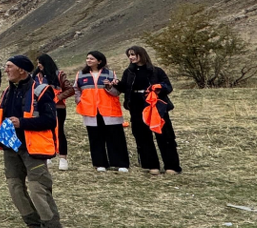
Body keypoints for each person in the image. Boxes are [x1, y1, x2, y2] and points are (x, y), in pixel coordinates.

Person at [0, 55, 64, 228]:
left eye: (9, 66)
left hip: (34, 148)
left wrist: (23, 123)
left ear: (21, 70)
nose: (5, 70)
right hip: (11, 147)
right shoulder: (6, 92)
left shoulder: (41, 91)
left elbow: (50, 120)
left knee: (39, 189)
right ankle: (34, 226)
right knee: (15, 188)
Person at [119, 45, 182, 175]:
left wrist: (159, 88)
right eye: (129, 55)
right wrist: (114, 84)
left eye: (133, 54)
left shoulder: (156, 71)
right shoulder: (128, 72)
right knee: (142, 136)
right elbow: (123, 87)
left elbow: (168, 86)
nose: (130, 57)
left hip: (155, 106)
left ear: (141, 54)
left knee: (164, 135)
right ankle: (151, 165)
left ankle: (172, 166)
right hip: (136, 106)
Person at [74, 50, 129, 172]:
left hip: (109, 110)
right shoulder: (81, 74)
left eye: (91, 59)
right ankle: (100, 163)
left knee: (115, 137)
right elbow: (76, 89)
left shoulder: (110, 74)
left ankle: (120, 163)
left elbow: (117, 92)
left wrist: (109, 87)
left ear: (99, 61)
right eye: (87, 58)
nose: (88, 60)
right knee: (95, 137)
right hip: (90, 111)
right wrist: (79, 101)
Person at [35, 54, 75, 171]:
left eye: (40, 63)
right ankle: (48, 155)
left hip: (58, 108)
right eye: (37, 63)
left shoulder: (59, 74)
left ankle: (63, 158)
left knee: (59, 132)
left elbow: (70, 89)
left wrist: (58, 97)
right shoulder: (36, 76)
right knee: (45, 131)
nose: (39, 65)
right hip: (42, 108)